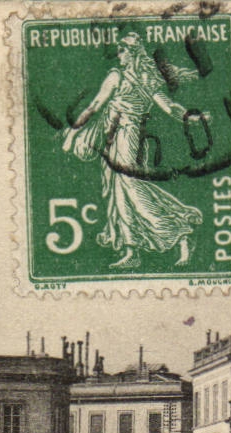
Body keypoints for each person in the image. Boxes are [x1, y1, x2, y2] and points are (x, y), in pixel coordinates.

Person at [59, 33, 206, 269]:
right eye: (119, 51)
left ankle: (179, 230)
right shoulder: (117, 76)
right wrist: (74, 131)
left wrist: (192, 116)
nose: (119, 55)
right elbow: (94, 106)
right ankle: (132, 250)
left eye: (123, 51)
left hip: (128, 135)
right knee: (119, 192)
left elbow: (169, 107)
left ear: (134, 53)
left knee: (129, 186)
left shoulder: (146, 80)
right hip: (112, 135)